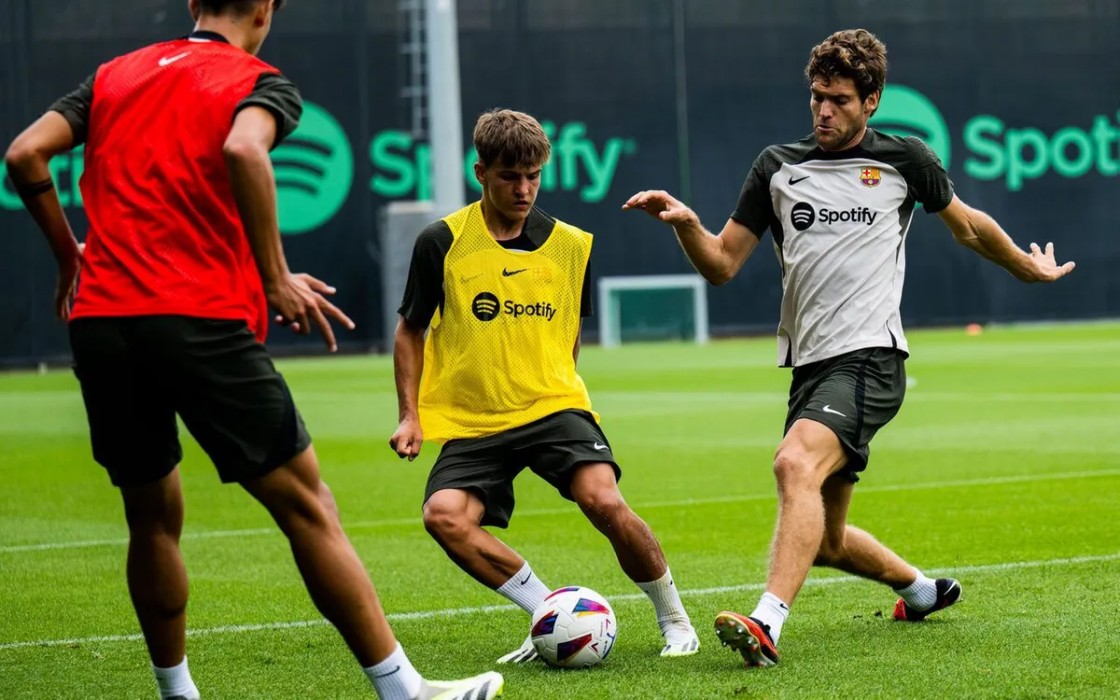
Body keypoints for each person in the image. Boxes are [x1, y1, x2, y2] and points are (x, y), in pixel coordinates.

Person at [3, 1, 503, 698]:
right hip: (196, 318)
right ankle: (403, 691)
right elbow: (243, 149)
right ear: (267, 8)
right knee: (307, 506)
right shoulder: (258, 80)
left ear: (192, 4)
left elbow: (25, 153)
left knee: (150, 516)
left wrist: (67, 259)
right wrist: (273, 276)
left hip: (103, 319)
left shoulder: (114, 75)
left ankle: (176, 691)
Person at [623, 28, 1075, 668]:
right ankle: (921, 591)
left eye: (837, 99)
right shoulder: (777, 167)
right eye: (815, 98)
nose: (823, 111)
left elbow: (970, 227)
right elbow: (722, 263)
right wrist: (689, 225)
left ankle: (766, 622)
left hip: (871, 359)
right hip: (810, 369)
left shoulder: (904, 159)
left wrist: (1026, 269)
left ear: (872, 100)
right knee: (826, 540)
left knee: (792, 465)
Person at [390, 108, 700, 664]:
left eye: (533, 175)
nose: (524, 188)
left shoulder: (570, 245)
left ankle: (675, 620)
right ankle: (547, 611)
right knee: (444, 517)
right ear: (480, 172)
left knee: (603, 500)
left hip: (552, 404)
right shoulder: (441, 242)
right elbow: (410, 331)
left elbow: (570, 333)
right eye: (510, 176)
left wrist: (558, 387)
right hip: (474, 419)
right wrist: (410, 415)